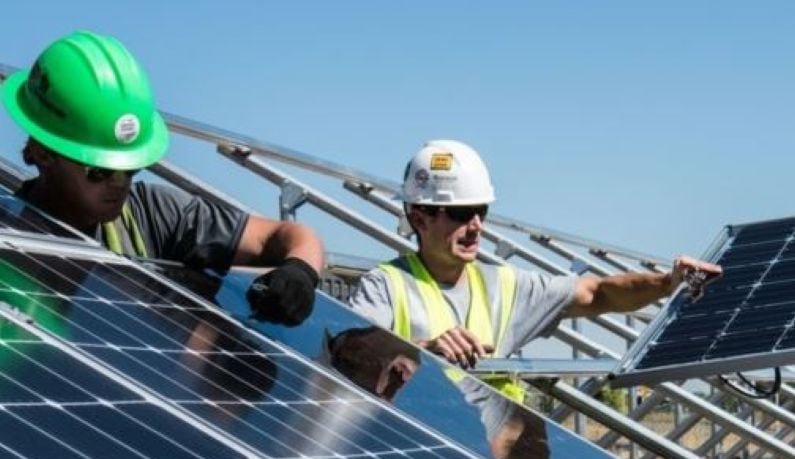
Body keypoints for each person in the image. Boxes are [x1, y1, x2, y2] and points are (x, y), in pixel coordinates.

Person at [347, 139, 721, 400]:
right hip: (417, 458)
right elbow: (349, 360)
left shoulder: (506, 285)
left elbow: (598, 293)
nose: (477, 226)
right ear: (419, 217)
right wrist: (423, 350)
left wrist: (668, 282)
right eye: (461, 214)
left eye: (482, 211)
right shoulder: (386, 286)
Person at [2, 30, 324, 326]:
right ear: (44, 153)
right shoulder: (10, 239)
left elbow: (285, 235)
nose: (119, 184)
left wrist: (301, 272)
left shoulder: (155, 213)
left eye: (130, 168)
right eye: (99, 170)